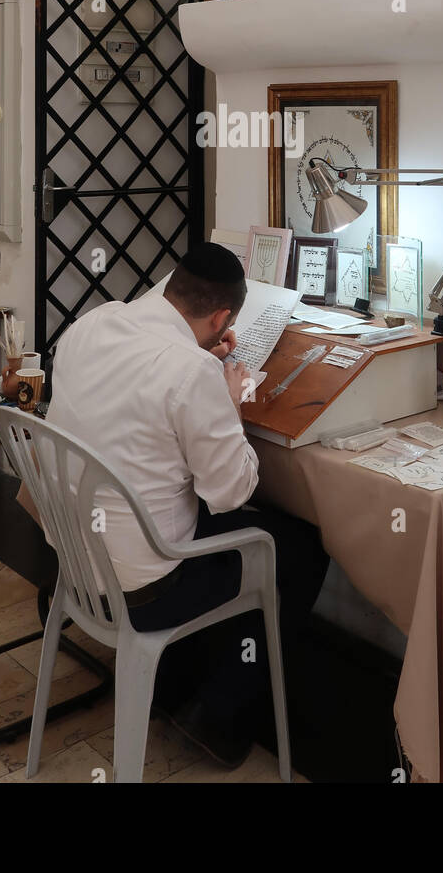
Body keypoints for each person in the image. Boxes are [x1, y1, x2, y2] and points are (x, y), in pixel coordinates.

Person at [45, 242, 329, 768]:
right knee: (300, 549)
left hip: (77, 559)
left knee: (236, 532)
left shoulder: (95, 322)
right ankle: (222, 716)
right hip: (147, 590)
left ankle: (176, 685)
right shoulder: (191, 372)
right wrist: (229, 398)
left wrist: (203, 361)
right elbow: (231, 491)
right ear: (223, 318)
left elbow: (139, 395)